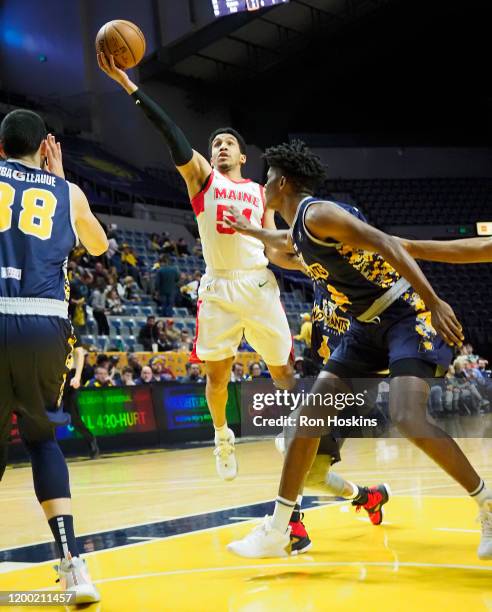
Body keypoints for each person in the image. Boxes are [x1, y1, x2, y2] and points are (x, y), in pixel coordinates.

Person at [224, 140, 492, 560]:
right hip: (364, 330)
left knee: (407, 415)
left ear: (285, 181)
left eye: (269, 177)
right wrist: (250, 229)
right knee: (307, 416)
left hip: (404, 315)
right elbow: (279, 238)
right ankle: (278, 529)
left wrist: (435, 301)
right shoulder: (300, 227)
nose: (263, 183)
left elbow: (390, 245)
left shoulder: (321, 212)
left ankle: (487, 504)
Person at [98, 52, 295, 483]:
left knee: (284, 372)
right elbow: (171, 133)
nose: (219, 147)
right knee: (218, 376)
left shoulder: (263, 195)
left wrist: (301, 260)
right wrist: (129, 85)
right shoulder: (204, 180)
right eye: (214, 145)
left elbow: (277, 246)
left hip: (260, 284)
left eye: (227, 144)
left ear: (243, 156)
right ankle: (222, 436)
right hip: (220, 288)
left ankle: (293, 426)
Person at [0, 109, 107, 600]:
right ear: (43, 146)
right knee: (43, 440)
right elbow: (98, 246)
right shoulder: (67, 192)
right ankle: (71, 565)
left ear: (2, 146)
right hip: (44, 322)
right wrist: (60, 180)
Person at [62, 333, 100, 459]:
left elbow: (79, 352)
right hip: (51, 376)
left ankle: (91, 440)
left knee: (73, 417)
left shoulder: (69, 328)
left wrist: (77, 376)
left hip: (70, 377)